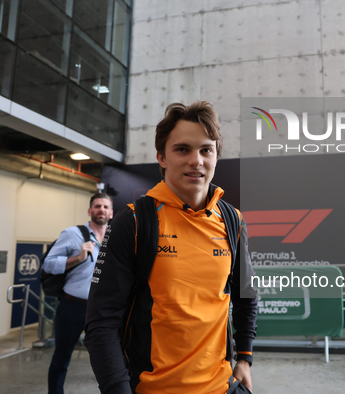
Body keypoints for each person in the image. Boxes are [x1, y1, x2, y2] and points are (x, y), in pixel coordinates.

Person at [85, 101, 258, 394]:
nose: (196, 160)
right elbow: (101, 324)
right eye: (182, 149)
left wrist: (244, 357)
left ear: (216, 156)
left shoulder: (232, 220)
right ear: (162, 157)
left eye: (206, 149)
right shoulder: (134, 222)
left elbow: (246, 294)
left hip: (222, 386)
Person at [43, 193, 113, 394]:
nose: (101, 210)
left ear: (111, 213)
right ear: (90, 211)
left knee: (109, 360)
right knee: (61, 358)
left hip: (102, 310)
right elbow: (48, 264)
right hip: (73, 307)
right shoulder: (72, 234)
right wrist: (77, 258)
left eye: (105, 207)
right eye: (97, 206)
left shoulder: (115, 237)